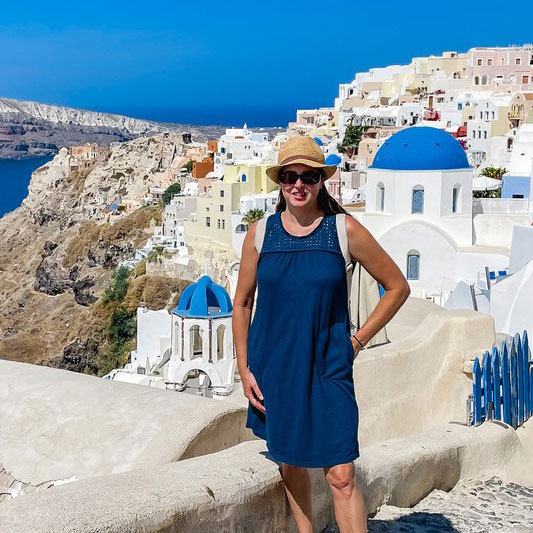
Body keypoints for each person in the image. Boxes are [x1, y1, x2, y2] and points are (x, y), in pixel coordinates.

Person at [232, 136, 410, 533]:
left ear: (321, 181)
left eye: (308, 176)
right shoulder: (260, 234)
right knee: (291, 463)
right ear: (279, 181)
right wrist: (244, 369)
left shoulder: (342, 230)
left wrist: (357, 341)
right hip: (274, 367)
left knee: (341, 474)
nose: (299, 185)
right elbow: (241, 303)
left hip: (329, 367)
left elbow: (397, 287)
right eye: (290, 176)